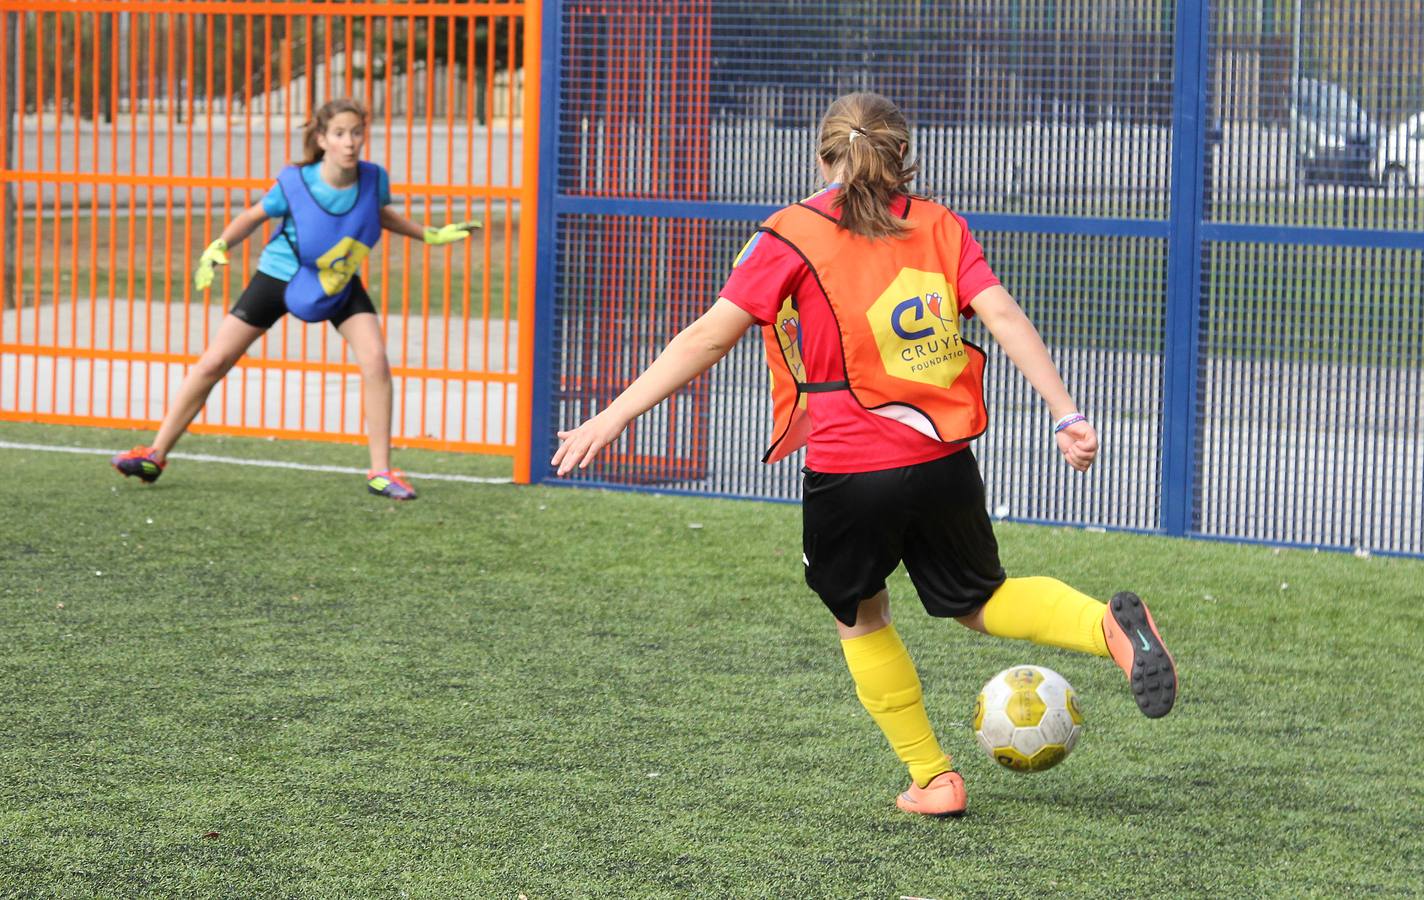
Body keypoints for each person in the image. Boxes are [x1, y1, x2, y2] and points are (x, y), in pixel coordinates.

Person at [552, 92, 1177, 817]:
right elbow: (1002, 313)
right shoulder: (940, 224)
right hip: (941, 462)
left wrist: (613, 415)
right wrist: (1065, 413)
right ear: (903, 157)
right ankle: (1106, 626)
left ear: (822, 158)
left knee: (862, 616)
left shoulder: (791, 233)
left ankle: (933, 779)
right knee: (980, 601)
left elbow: (708, 337)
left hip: (851, 469)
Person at [111, 97, 479, 500]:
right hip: (279, 276)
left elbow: (379, 214)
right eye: (340, 134)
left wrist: (429, 234)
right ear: (322, 139)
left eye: (356, 132)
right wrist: (219, 246)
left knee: (375, 361)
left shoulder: (374, 179)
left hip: (336, 281)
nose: (350, 142)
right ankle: (155, 453)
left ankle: (381, 471)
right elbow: (253, 216)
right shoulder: (295, 183)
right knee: (214, 361)